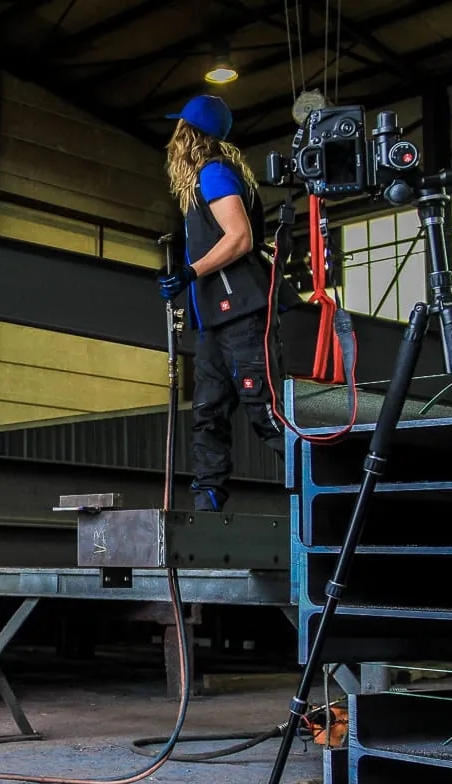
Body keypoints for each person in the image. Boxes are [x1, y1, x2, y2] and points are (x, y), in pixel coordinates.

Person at [158, 95, 289, 513]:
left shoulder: (214, 173)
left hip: (243, 315)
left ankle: (324, 492)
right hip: (215, 319)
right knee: (207, 411)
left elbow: (240, 237)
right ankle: (207, 500)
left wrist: (191, 272)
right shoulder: (204, 181)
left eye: (178, 129)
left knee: (264, 411)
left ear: (188, 134)